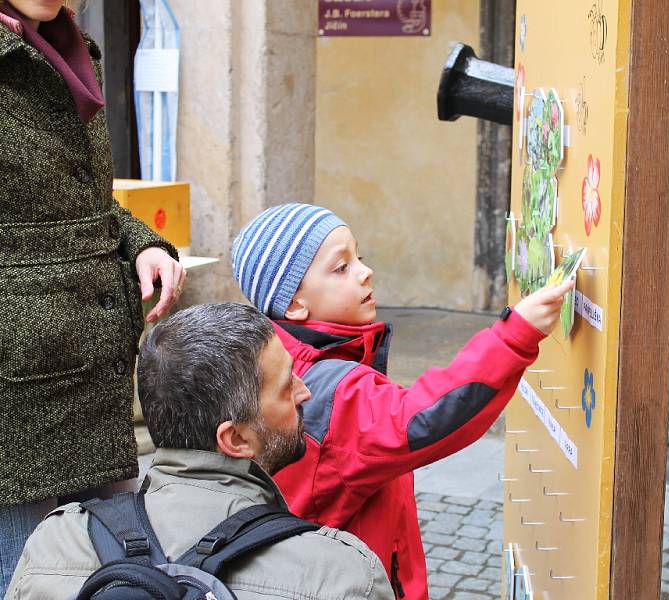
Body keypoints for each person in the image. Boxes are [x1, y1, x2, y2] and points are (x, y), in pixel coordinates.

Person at [231, 203, 573, 600]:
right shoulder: (330, 389)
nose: (364, 271)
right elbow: (427, 417)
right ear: (293, 304)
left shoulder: (288, 363)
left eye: (359, 257)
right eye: (341, 267)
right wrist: (514, 337)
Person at [6, 303, 395, 600]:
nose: (303, 391)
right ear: (236, 440)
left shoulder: (54, 543)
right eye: (284, 387)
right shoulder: (343, 574)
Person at [0, 0, 185, 592]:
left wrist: (142, 243)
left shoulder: (68, 45)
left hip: (88, 371)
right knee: (24, 577)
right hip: (19, 388)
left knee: (111, 569)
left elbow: (81, 203)